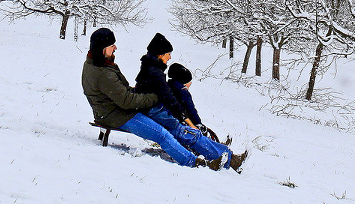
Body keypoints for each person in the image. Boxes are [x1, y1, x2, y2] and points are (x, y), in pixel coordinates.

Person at [81, 28, 210, 169]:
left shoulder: (101, 65)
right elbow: (126, 100)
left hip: (114, 110)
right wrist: (154, 97)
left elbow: (122, 91)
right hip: (115, 115)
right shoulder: (103, 72)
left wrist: (139, 92)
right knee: (162, 134)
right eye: (112, 45)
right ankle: (193, 162)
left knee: (167, 125)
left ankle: (206, 149)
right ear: (102, 49)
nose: (115, 48)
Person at [136, 33, 248, 172]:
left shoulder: (149, 68)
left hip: (154, 111)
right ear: (160, 54)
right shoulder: (155, 73)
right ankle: (228, 158)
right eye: (168, 54)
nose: (169, 57)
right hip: (156, 113)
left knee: (191, 133)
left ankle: (228, 156)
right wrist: (187, 120)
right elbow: (169, 99)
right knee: (189, 134)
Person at [167, 62, 230, 145]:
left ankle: (216, 144)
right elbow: (191, 110)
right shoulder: (183, 93)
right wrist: (198, 124)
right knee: (201, 132)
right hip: (182, 123)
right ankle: (215, 147)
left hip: (172, 121)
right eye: (190, 82)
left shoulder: (168, 88)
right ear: (184, 82)